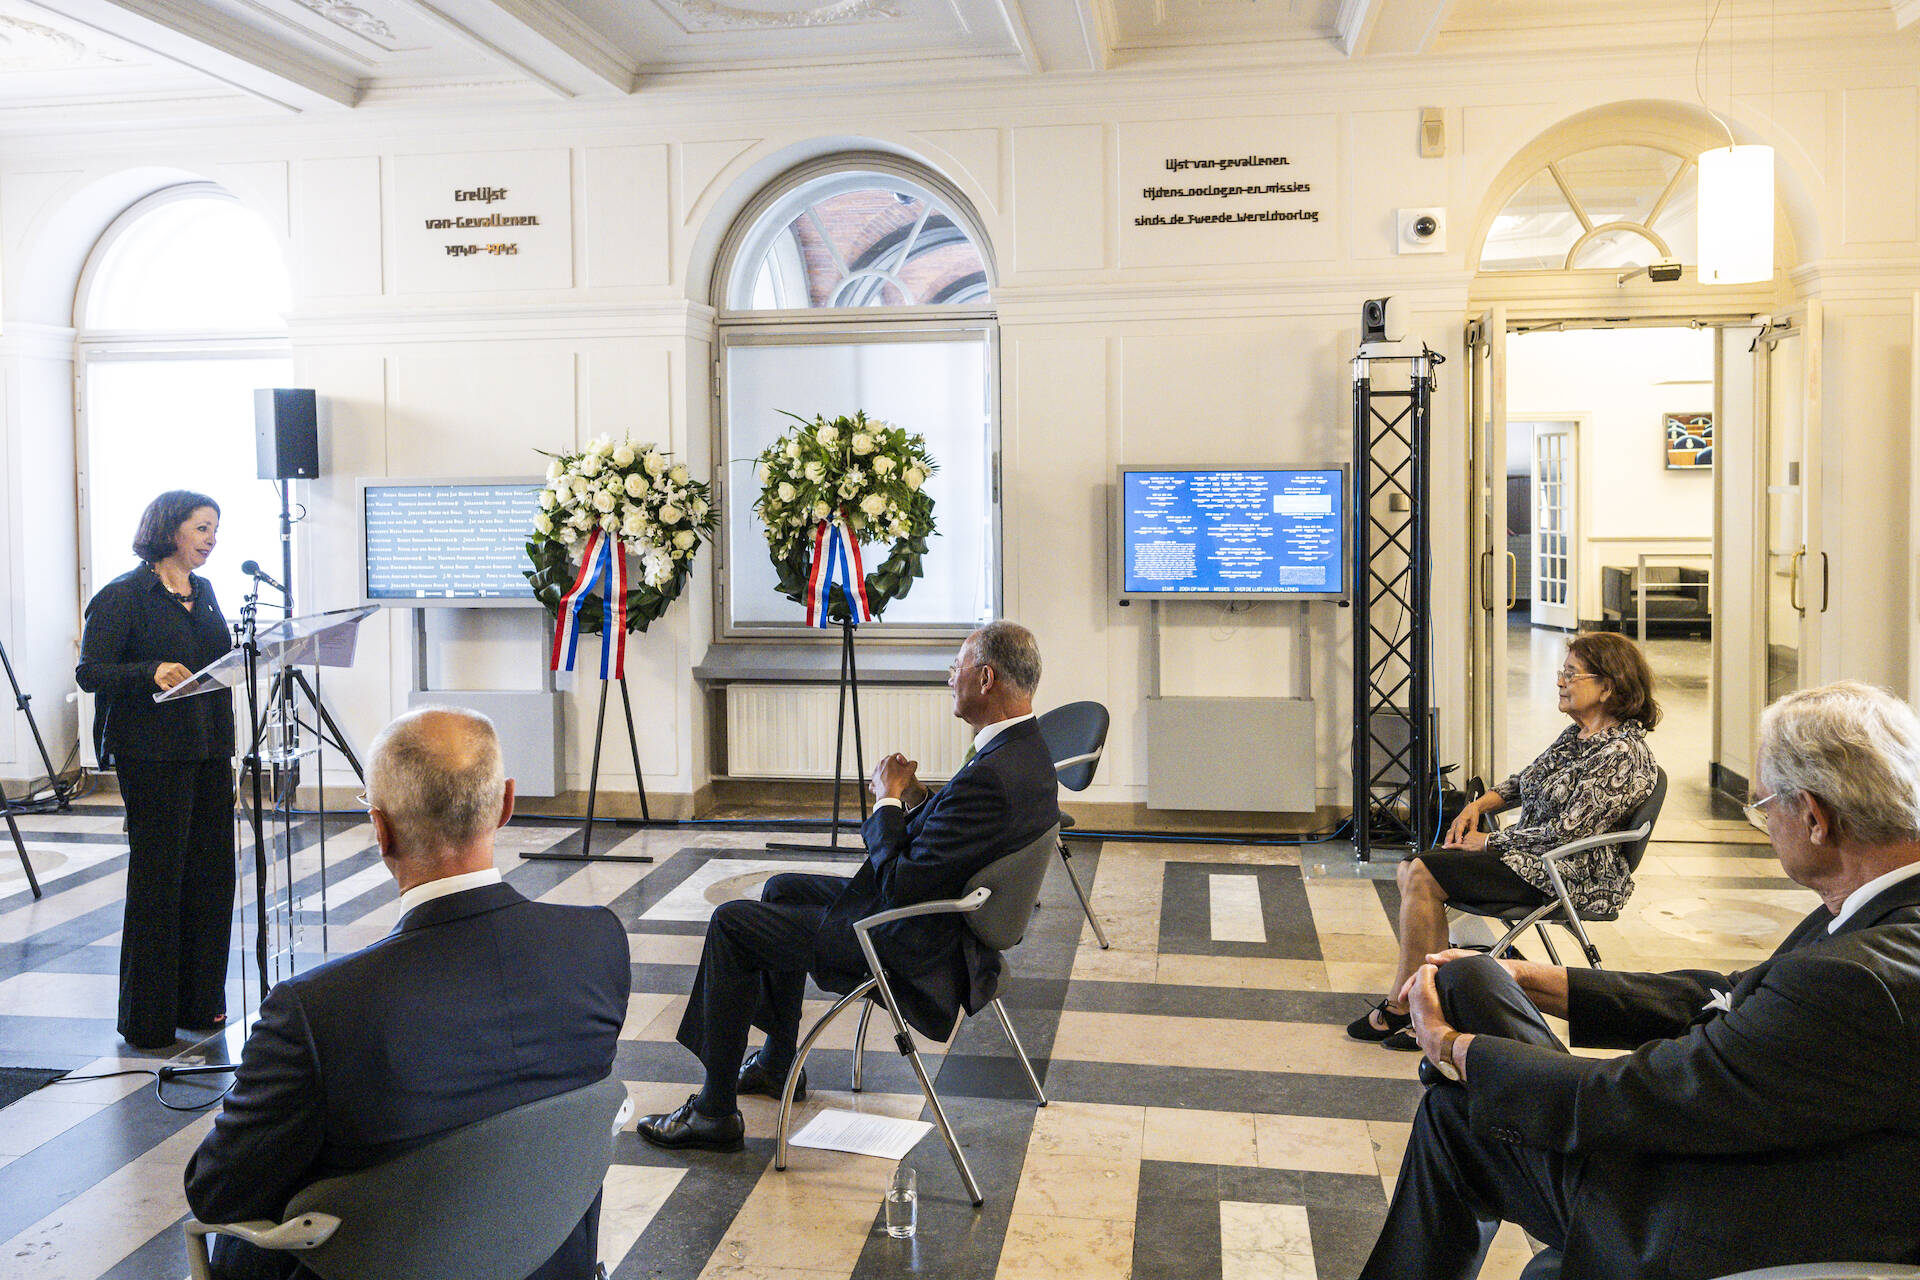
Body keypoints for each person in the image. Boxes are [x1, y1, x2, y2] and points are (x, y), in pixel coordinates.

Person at [1359, 680, 1920, 1280]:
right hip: (1752, 1150)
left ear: (1812, 816)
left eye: (1760, 807)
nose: (1761, 822)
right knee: (1473, 977)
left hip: (1719, 1213)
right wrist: (1537, 980)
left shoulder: (1854, 980)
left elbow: (1645, 1094)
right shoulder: (1880, 918)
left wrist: (1455, 1048)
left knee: (1455, 1114)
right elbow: (1731, 995)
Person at [184, 708, 630, 1280]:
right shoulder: (596, 944)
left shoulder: (319, 1010)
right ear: (506, 804)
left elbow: (218, 1192)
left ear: (380, 829)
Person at [637, 620, 1060, 1152]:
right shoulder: (1024, 752)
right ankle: (776, 1061)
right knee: (781, 888)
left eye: (958, 664)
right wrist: (921, 798)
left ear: (986, 678)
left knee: (732, 924)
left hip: (909, 941)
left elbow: (902, 881)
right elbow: (959, 838)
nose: (949, 674)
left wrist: (885, 800)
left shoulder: (993, 775)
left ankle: (713, 1111)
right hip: (937, 920)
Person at [1350, 631, 1660, 1051]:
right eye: (1561, 672)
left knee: (1422, 872)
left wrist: (1490, 844)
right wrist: (1477, 806)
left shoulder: (1622, 753)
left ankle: (1405, 1008)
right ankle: (1428, 1003)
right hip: (1532, 858)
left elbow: (1569, 830)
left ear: (1608, 687)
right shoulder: (1579, 735)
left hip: (1572, 872)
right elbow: (1523, 781)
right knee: (1412, 869)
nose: (1560, 682)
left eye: (1571, 674)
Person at [75, 490, 237, 1051]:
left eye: (215, 528)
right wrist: (150, 671)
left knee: (212, 876)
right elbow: (90, 672)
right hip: (153, 754)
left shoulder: (207, 592)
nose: (212, 538)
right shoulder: (123, 595)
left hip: (211, 747)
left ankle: (201, 1004)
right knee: (159, 882)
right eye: (202, 527)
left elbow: (221, 658)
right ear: (170, 530)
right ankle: (148, 1018)